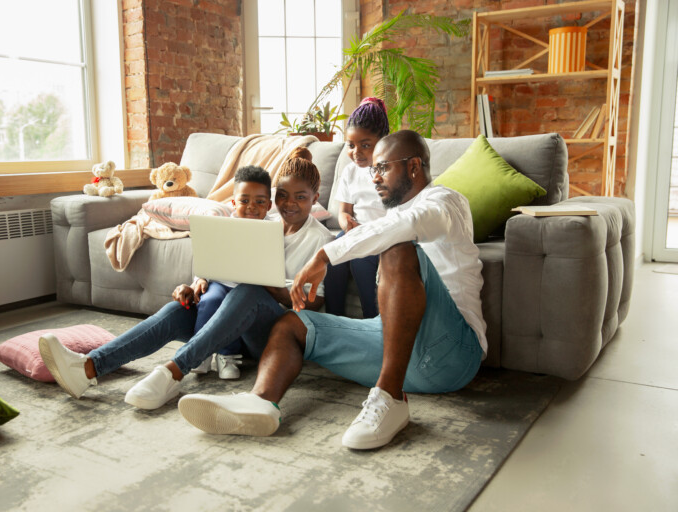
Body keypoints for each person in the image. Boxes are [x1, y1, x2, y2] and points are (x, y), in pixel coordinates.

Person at [177, 130, 488, 451]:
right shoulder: (394, 216)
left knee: (396, 248)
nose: (374, 178)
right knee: (293, 324)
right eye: (372, 170)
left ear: (412, 167)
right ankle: (261, 403)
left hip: (452, 352)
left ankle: (391, 398)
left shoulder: (447, 202)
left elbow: (409, 224)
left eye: (382, 168)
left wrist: (324, 255)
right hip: (397, 350)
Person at [39, 147, 333, 410]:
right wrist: (195, 286)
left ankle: (173, 372)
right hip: (228, 325)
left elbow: (315, 304)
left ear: (314, 199)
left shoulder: (321, 240)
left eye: (300, 197)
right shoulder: (259, 221)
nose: (289, 204)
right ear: (273, 198)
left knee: (250, 291)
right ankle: (89, 368)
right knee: (179, 310)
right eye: (282, 195)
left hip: (269, 337)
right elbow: (219, 266)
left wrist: (265, 282)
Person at [187, 166, 273, 379]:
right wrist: (201, 278)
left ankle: (227, 355)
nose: (252, 207)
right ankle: (201, 352)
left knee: (233, 309)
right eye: (244, 201)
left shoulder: (272, 230)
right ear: (234, 203)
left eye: (260, 202)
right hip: (220, 281)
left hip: (249, 289)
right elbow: (206, 255)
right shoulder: (223, 225)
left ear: (269, 205)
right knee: (210, 301)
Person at [324, 97, 389, 319]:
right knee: (332, 256)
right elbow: (344, 211)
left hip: (384, 234)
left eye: (365, 145)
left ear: (382, 142)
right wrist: (345, 222)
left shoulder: (391, 170)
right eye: (351, 145)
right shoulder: (350, 172)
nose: (356, 152)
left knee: (361, 261)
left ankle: (372, 320)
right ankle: (334, 319)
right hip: (356, 231)